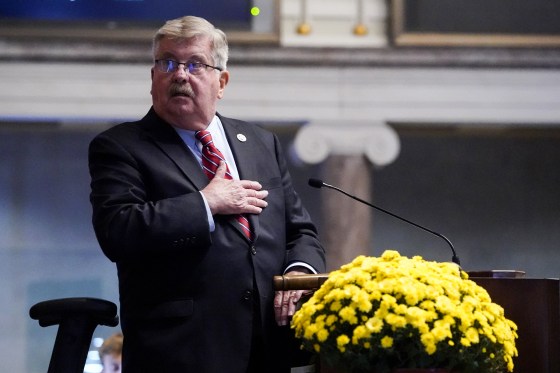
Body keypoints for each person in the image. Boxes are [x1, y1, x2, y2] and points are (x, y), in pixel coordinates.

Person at [88, 15, 325, 373]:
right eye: (167, 63)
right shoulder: (122, 147)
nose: (180, 74)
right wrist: (207, 203)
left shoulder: (261, 143)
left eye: (195, 64)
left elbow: (300, 231)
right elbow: (118, 231)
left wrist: (299, 274)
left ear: (222, 81)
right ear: (153, 77)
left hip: (266, 346)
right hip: (180, 351)